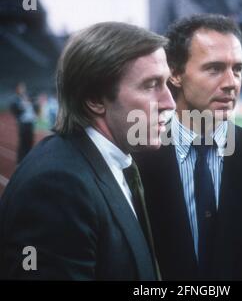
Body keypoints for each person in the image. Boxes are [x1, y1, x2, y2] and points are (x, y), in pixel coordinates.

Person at [135, 14, 242, 280]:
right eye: (215, 68)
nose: (231, 83)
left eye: (237, 69)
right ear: (176, 74)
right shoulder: (137, 160)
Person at [0, 22, 175, 280]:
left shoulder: (103, 163)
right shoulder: (58, 187)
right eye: (151, 85)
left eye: (167, 83)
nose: (169, 102)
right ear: (94, 99)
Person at [9, 82, 37, 164]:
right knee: (23, 143)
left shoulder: (26, 97)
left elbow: (32, 107)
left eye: (23, 88)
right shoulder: (15, 99)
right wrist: (22, 106)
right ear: (17, 89)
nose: (23, 90)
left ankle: (28, 160)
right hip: (23, 124)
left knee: (30, 142)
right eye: (21, 88)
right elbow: (14, 109)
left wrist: (34, 112)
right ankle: (20, 161)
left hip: (30, 123)